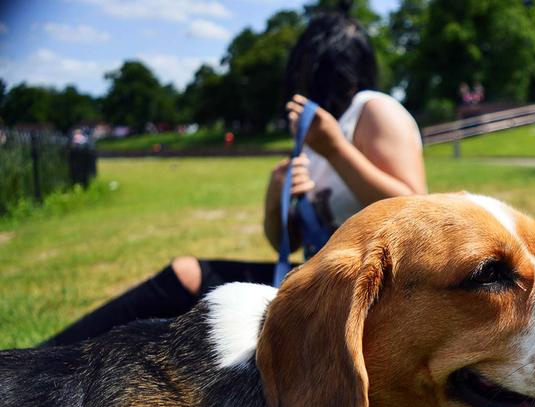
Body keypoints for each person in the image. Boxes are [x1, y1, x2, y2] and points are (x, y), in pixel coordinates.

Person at [43, 9, 425, 347]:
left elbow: (416, 212)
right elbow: (286, 242)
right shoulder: (319, 132)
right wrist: (275, 194)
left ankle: (48, 359)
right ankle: (49, 357)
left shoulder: (373, 109)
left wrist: (336, 150)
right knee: (188, 275)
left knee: (192, 279)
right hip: (319, 281)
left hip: (370, 295)